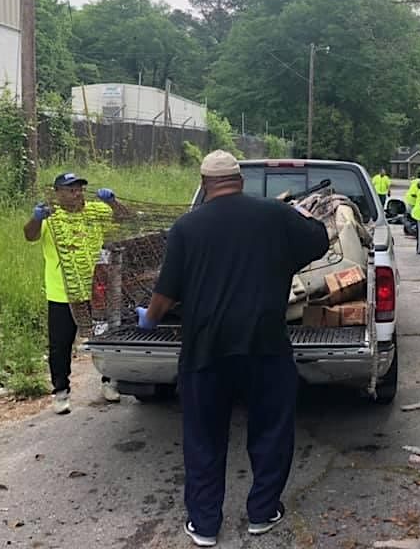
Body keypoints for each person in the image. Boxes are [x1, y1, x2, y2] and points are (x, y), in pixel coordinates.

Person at [140, 151, 329, 546]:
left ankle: (205, 525)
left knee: (204, 436)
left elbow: (164, 295)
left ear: (205, 183)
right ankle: (262, 512)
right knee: (271, 430)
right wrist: (302, 217)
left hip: (205, 349)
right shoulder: (275, 217)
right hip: (265, 345)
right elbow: (318, 242)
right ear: (239, 180)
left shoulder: (187, 228)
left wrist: (149, 319)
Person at [23, 172, 127, 415]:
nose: (76, 193)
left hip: (97, 290)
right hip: (62, 293)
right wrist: (36, 218)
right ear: (57, 192)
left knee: (106, 338)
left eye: (79, 188)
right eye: (70, 189)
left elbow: (125, 218)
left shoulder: (95, 211)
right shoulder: (50, 218)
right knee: (61, 345)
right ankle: (61, 392)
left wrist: (112, 202)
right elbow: (30, 235)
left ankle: (110, 382)